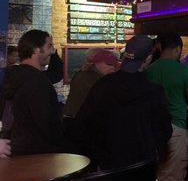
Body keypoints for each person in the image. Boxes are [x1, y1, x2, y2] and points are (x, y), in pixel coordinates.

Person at [69, 35, 172, 170]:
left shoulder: (103, 85)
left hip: (108, 164)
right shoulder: (153, 91)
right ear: (147, 59)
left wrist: (98, 154)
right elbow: (163, 131)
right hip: (141, 164)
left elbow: (83, 123)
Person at [144, 33, 188, 181]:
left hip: (151, 128)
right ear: (178, 49)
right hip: (175, 127)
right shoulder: (184, 71)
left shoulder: (149, 70)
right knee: (169, 179)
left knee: (155, 174)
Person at [0, 30, 68, 155]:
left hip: (20, 147)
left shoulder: (16, 76)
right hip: (39, 152)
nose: (52, 51)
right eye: (49, 46)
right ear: (36, 50)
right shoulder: (36, 82)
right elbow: (45, 122)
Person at [63, 49, 119, 118]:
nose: (112, 68)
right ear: (97, 63)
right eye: (109, 64)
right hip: (83, 121)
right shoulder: (95, 79)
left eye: (115, 65)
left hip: (75, 118)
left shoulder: (83, 73)